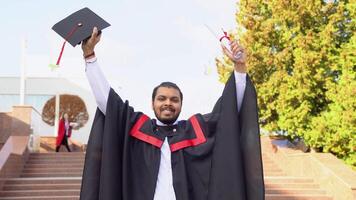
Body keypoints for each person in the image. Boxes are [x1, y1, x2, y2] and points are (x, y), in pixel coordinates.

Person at [80, 27, 264, 200]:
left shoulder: (194, 130)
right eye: (162, 99)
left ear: (181, 105)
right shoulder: (138, 128)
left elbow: (228, 113)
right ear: (152, 104)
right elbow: (109, 103)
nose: (168, 103)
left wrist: (240, 68)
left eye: (174, 100)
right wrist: (90, 56)